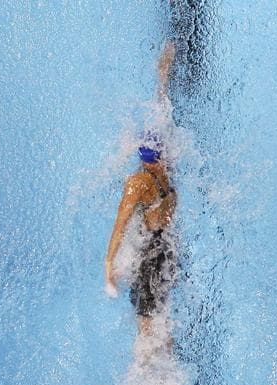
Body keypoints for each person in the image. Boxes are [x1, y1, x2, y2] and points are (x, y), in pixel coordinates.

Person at [105, 43, 178, 337]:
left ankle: (151, 377)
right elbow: (163, 115)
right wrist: (162, 78)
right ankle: (165, 371)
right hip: (168, 250)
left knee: (147, 327)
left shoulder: (138, 183)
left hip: (151, 255)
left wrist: (109, 262)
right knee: (161, 319)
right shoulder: (167, 174)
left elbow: (120, 225)